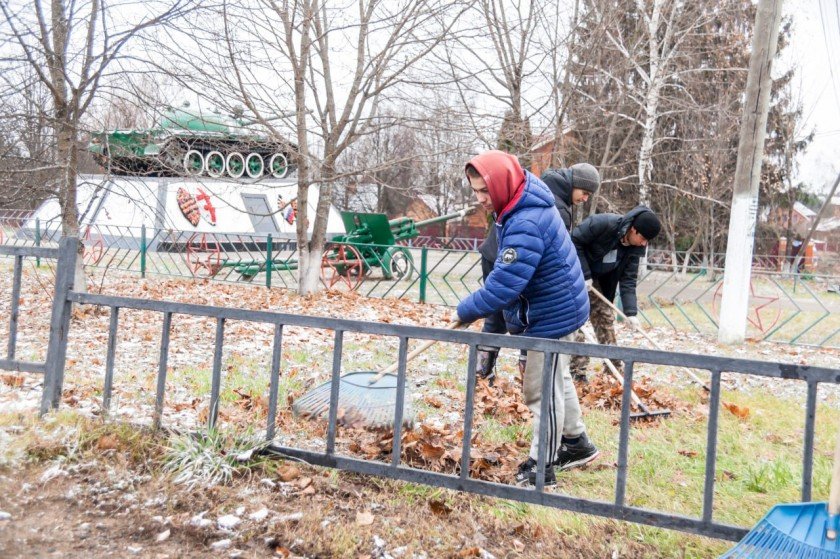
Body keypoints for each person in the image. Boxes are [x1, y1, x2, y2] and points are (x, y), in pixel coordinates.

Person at [455, 150, 597, 487]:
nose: (480, 199)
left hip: (553, 315)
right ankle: (576, 443)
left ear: (501, 183)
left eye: (484, 191)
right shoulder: (519, 201)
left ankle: (541, 466)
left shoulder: (525, 220)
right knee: (557, 381)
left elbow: (504, 285)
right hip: (560, 306)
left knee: (540, 390)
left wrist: (465, 311)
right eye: (475, 191)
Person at [474, 163, 601, 381]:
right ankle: (528, 379)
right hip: (511, 260)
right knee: (529, 319)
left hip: (498, 255)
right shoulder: (556, 206)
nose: (585, 199)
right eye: (585, 193)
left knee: (498, 317)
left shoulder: (546, 190)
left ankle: (482, 374)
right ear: (574, 185)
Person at [570, 205, 661, 382]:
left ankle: (613, 372)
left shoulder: (634, 250)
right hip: (575, 273)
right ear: (633, 229)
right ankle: (577, 371)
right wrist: (585, 274)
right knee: (576, 321)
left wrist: (631, 313)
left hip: (598, 282)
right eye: (643, 238)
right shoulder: (602, 224)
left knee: (605, 318)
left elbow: (628, 281)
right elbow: (573, 241)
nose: (643, 244)